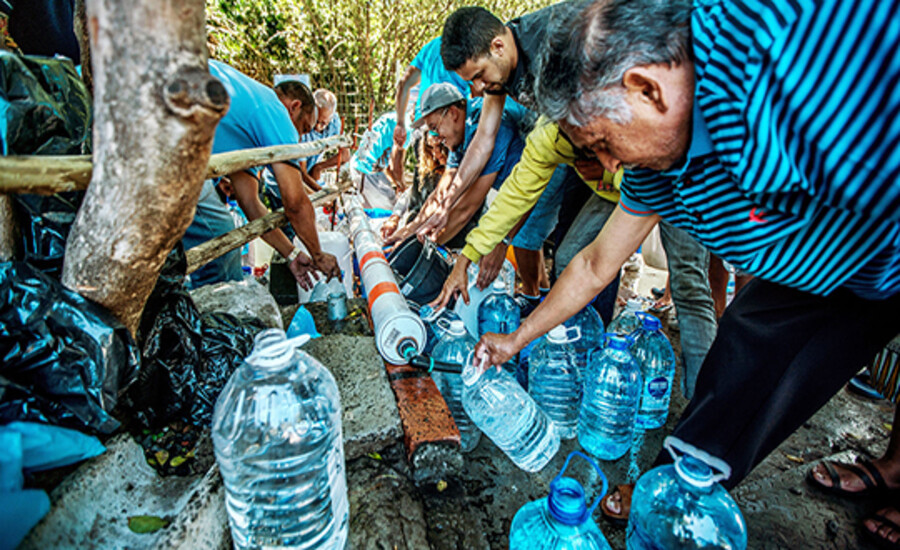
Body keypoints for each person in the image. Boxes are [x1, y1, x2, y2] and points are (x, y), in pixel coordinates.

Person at [472, 1, 900, 544]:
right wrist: (518, 338)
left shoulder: (796, 63)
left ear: (647, 88)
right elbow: (595, 263)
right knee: (740, 354)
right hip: (812, 265)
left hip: (884, 244)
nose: (607, 167)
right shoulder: (656, 159)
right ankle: (680, 485)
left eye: (603, 143)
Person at [433, 5, 716, 376]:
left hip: (668, 170)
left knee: (689, 283)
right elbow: (523, 199)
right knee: (572, 258)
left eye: (603, 143)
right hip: (633, 187)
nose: (608, 163)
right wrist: (470, 257)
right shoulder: (553, 136)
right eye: (588, 149)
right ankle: (585, 358)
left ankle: (702, 400)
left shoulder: (710, 120)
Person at [183, 60, 339, 289]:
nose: (298, 139)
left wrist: (292, 255)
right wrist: (318, 255)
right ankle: (216, 314)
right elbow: (294, 202)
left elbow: (251, 204)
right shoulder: (276, 111)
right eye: (303, 129)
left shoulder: (248, 134)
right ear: (294, 107)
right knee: (218, 236)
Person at [386, 82, 525, 250]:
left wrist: (415, 249)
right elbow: (440, 193)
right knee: (527, 250)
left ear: (453, 113)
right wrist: (409, 230)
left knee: (527, 246)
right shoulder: (458, 135)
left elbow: (466, 208)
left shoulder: (485, 124)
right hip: (522, 188)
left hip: (542, 178)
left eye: (434, 128)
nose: (435, 137)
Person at [302, 88, 350, 185]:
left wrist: (319, 167)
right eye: (315, 120)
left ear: (331, 117)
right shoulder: (302, 123)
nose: (317, 126)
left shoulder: (334, 122)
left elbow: (345, 155)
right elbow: (301, 174)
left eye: (323, 123)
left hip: (309, 176)